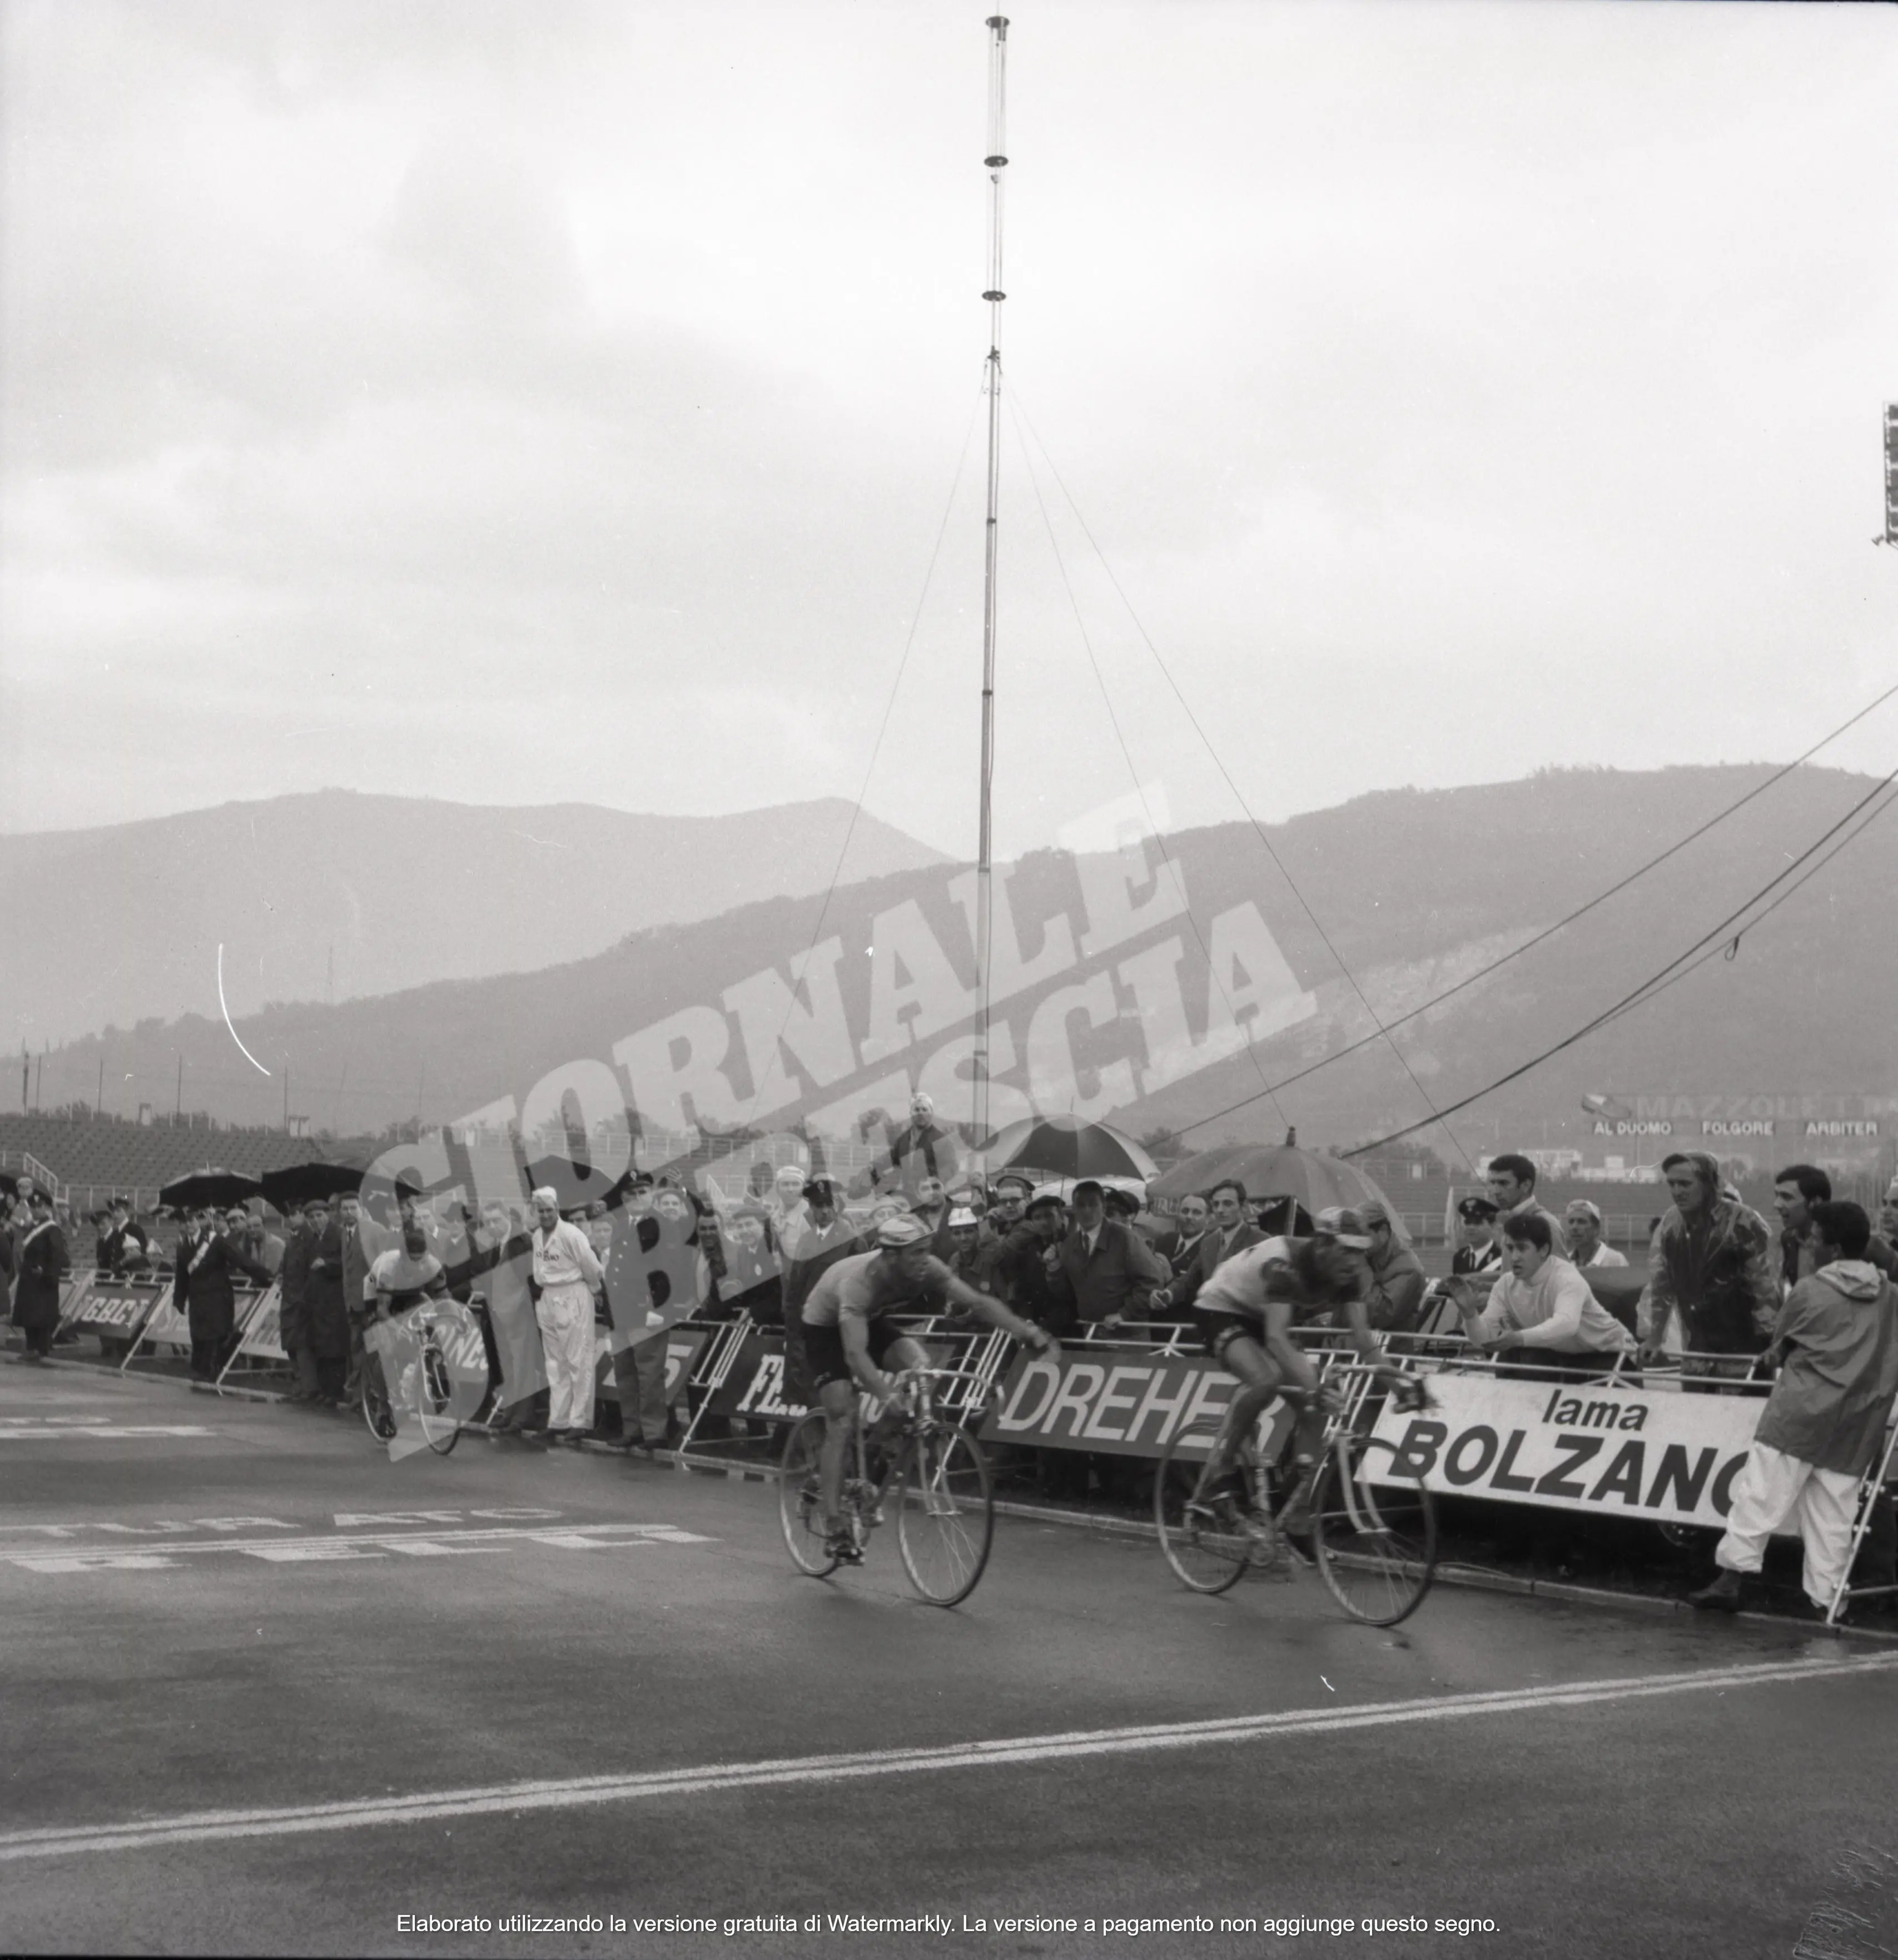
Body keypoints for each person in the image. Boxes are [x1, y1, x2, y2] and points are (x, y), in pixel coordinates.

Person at [801, 1214, 1059, 1561]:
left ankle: (874, 1472)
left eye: (927, 1250)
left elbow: (978, 1303)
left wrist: (1026, 1332)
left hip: (870, 1320)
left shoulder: (930, 1268)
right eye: (916, 1253)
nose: (925, 1259)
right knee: (842, 1416)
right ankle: (834, 1527)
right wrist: (882, 1392)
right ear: (891, 1256)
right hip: (825, 1326)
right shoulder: (859, 1283)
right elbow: (854, 1351)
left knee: (922, 1373)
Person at [1690, 1201, 1898, 1617]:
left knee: (1761, 1498)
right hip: (1857, 1422)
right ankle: (1828, 1600)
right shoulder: (1891, 1296)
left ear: (1834, 1249)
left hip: (1798, 1414)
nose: (1812, 1244)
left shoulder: (1809, 1291)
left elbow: (1776, 1349)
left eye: (1817, 1239)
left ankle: (1731, 1579)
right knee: (1834, 1515)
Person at [1191, 1207, 1424, 1534]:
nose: (1355, 1261)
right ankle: (1220, 1471)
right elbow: (1275, 1338)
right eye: (1346, 1250)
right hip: (1221, 1310)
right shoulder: (1284, 1265)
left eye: (1360, 1252)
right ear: (1322, 1245)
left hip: (1266, 1316)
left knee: (1315, 1411)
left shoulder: (1349, 1275)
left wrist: (1399, 1385)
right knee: (1266, 1379)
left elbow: (1363, 1341)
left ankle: (1296, 1516)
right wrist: (1315, 1387)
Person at [1637, 1151, 1778, 1382]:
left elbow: (1765, 1289)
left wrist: (1771, 1342)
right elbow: (1661, 1286)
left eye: (1685, 1184)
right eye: (1671, 1184)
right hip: (1696, 1346)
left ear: (1707, 1183)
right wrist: (1655, 1337)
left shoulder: (1744, 1221)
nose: (1677, 1192)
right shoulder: (1669, 1225)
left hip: (1744, 1346)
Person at [1446, 1212, 1633, 1376]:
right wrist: (1469, 1315)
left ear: (1544, 1250)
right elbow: (1483, 1340)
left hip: (1614, 1358)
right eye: (1511, 1248)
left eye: (1522, 1248)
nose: (1515, 1257)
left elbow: (1567, 1324)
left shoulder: (1567, 1277)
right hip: (1565, 1357)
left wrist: (1518, 1338)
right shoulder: (1505, 1284)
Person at [529, 1187, 605, 1446]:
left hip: (573, 1294)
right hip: (548, 1296)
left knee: (578, 1359)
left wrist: (595, 1290)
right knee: (555, 1362)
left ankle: (578, 1421)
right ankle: (557, 1420)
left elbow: (591, 1266)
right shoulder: (537, 1236)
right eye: (541, 1211)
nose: (546, 1215)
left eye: (550, 1210)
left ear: (557, 1210)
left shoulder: (572, 1235)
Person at [1049, 1178, 1170, 1332]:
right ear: (1074, 1209)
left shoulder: (1125, 1238)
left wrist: (1124, 1315)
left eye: (1093, 1204)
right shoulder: (1069, 1245)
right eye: (1081, 1205)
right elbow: (1065, 1293)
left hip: (1127, 1337)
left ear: (1104, 1207)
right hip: (1090, 1334)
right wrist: (1054, 1269)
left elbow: (1153, 1281)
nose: (1087, 1210)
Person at [172, 1204, 272, 1381]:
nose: (188, 1225)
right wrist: (179, 1298)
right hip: (197, 1298)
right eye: (183, 1222)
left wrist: (266, 1277)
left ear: (199, 1221)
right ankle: (199, 1370)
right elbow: (182, 1275)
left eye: (191, 1220)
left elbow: (240, 1259)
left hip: (217, 1296)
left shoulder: (215, 1240)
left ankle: (212, 1371)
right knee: (198, 1334)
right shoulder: (182, 1246)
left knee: (215, 1335)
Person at [1152, 1179, 1263, 1317]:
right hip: (1212, 1324)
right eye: (1216, 1204)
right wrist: (1167, 1295)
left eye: (1227, 1204)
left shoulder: (1260, 1241)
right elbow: (1188, 1279)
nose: (1221, 1210)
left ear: (1244, 1206)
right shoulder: (1210, 1243)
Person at [8, 1188, 68, 1364]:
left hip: (43, 1280)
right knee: (29, 1315)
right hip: (29, 1279)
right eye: (33, 1206)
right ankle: (31, 1348)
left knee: (41, 1316)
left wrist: (48, 1274)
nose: (36, 1210)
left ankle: (41, 1350)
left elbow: (58, 1255)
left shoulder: (52, 1229)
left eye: (39, 1206)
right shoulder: (32, 1228)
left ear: (47, 1208)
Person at [277, 1198, 324, 1404]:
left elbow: (310, 1271)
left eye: (294, 1214)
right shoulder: (294, 1238)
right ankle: (299, 1386)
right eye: (289, 1215)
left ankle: (309, 1387)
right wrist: (280, 1274)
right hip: (289, 1299)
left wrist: (305, 1298)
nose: (290, 1218)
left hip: (302, 1301)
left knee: (302, 1345)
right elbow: (287, 1265)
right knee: (291, 1344)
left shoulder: (310, 1238)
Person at [1360, 1200, 1429, 1333]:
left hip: (1392, 1348)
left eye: (1363, 1236)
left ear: (1383, 1231)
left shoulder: (1409, 1270)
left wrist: (1361, 1269)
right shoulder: (1371, 1255)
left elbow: (1381, 1316)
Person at [1484, 1154, 1569, 1258]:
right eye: (1493, 1183)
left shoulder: (1547, 1225)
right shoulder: (1510, 1222)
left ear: (1526, 1186)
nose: (1496, 1191)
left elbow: (1560, 1272)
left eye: (1504, 1183)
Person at [95, 1197, 153, 1277]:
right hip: (117, 1277)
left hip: (133, 1277)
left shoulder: (135, 1230)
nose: (115, 1214)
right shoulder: (114, 1234)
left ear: (126, 1212)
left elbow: (142, 1253)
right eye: (113, 1211)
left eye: (119, 1211)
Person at [1563, 1199, 1626, 1271]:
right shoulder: (1565, 1262)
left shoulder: (1615, 1261)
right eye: (1571, 1222)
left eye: (1581, 1222)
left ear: (1596, 1228)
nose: (1574, 1227)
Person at [1452, 1197, 1503, 1279]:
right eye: (1467, 1223)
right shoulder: (1459, 1257)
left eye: (1478, 1223)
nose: (1471, 1227)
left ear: (1492, 1225)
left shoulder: (1502, 1258)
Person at [1165, 1193, 1212, 1283]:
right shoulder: (1164, 1240)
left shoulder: (1211, 1249)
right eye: (1185, 1211)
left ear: (1208, 1219)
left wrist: (1170, 1277)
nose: (1189, 1217)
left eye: (1197, 1212)